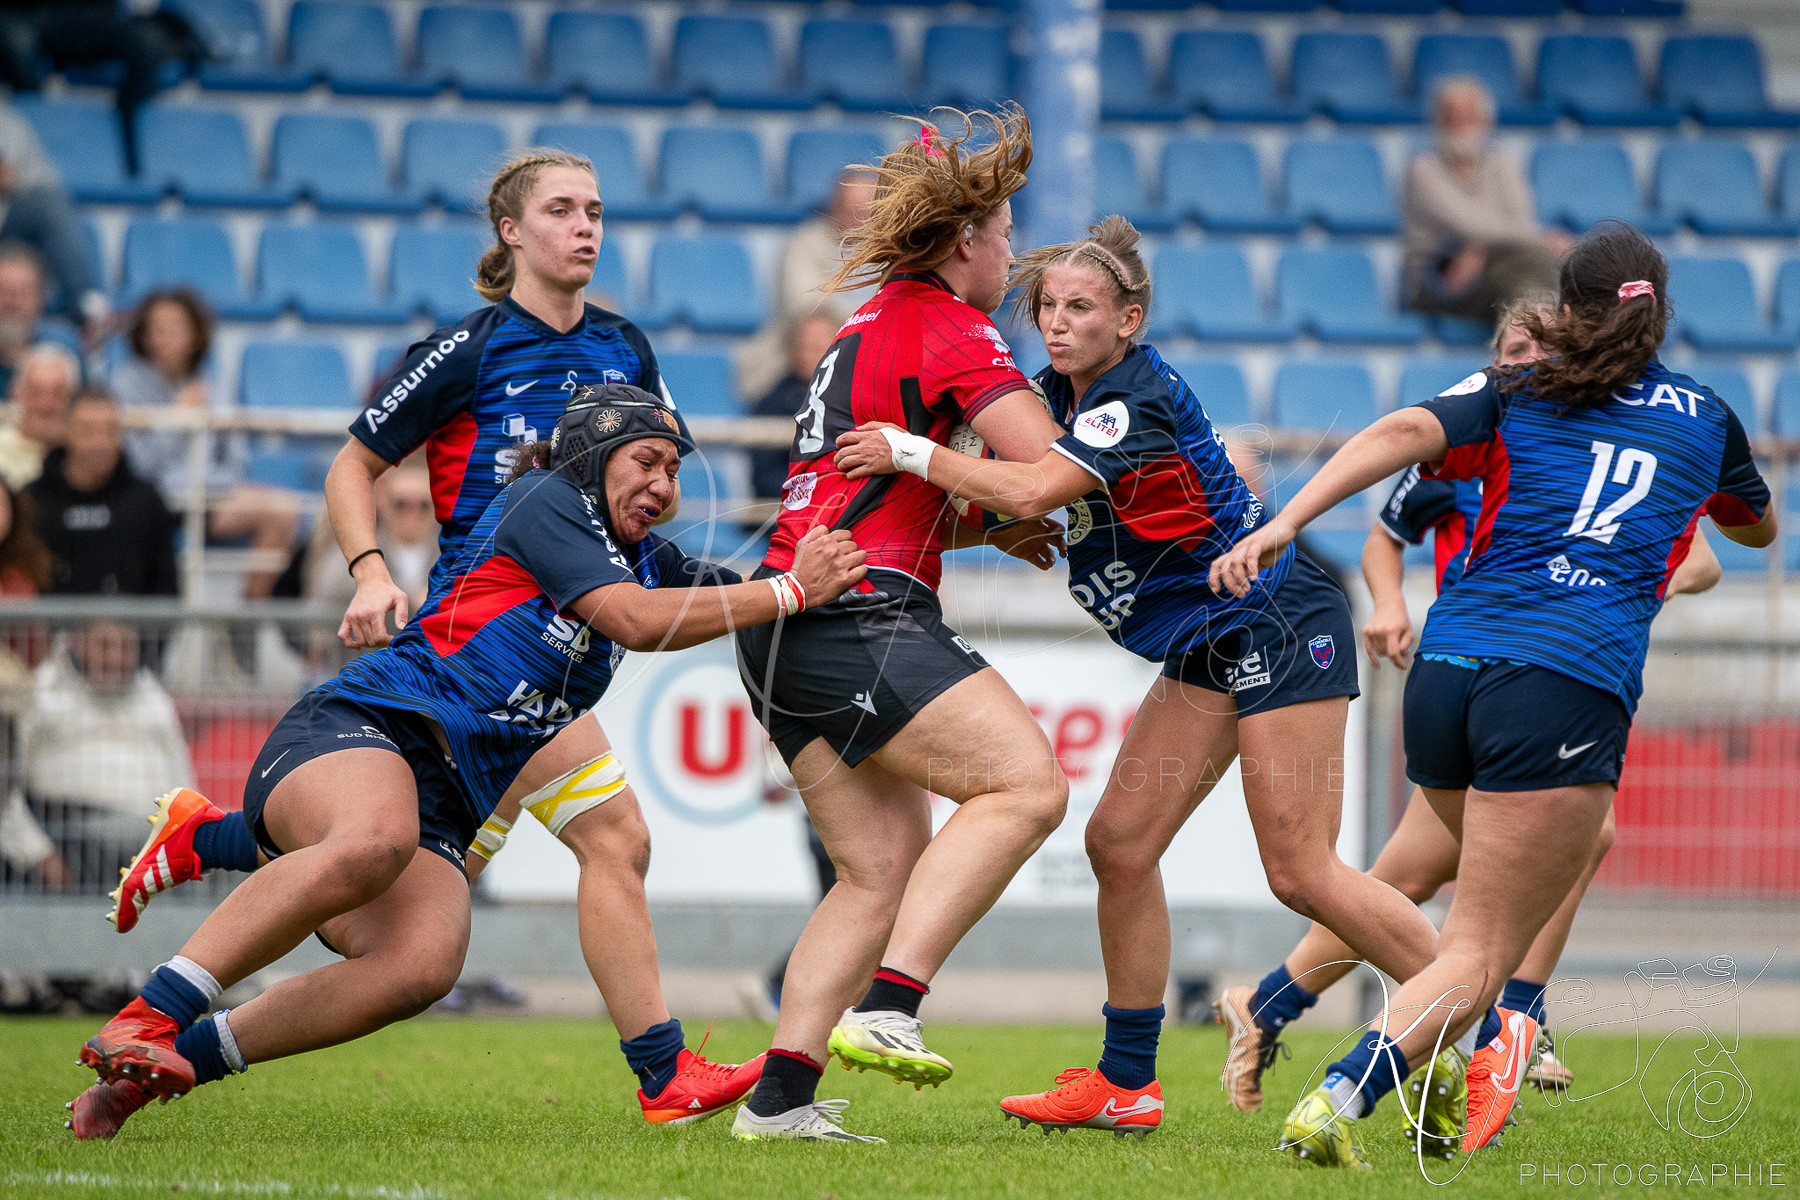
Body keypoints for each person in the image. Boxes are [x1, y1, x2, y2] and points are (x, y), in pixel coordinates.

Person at [110, 150, 741, 1127]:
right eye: (563, 209)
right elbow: (351, 468)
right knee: (503, 846)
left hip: (550, 658)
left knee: (411, 905)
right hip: (473, 646)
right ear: (511, 230)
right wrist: (368, 570)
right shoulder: (471, 350)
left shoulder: (626, 350)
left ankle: (208, 845)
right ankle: (661, 1074)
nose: (586, 227)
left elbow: (636, 508)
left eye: (598, 211)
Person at [66, 384, 870, 1140]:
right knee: (382, 839)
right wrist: (795, 592)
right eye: (647, 461)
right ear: (592, 458)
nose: (665, 482)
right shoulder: (546, 499)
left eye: (675, 470)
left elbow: (741, 597)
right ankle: (153, 1013)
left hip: (446, 803)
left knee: (420, 967)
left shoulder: (649, 561)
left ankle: (152, 1072)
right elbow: (636, 618)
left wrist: (837, 563)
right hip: (367, 722)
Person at [833, 215, 1440, 1142]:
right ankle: (1128, 1084)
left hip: (1274, 619)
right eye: (1046, 307)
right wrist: (933, 522)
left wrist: (910, 450)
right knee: (1118, 845)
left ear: (1130, 318)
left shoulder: (1128, 394)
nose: (1058, 322)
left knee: (1300, 872)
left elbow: (1033, 491)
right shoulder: (1050, 401)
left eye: (1081, 307)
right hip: (1208, 641)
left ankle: (1470, 1019)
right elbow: (1012, 508)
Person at [1206, 223, 1774, 1168]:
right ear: (1660, 315)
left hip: (1448, 677)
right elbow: (1752, 533)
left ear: (1565, 311)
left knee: (1465, 890)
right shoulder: (1706, 417)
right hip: (1562, 682)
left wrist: (1286, 523)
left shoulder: (1515, 390)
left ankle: (1406, 1020)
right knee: (1476, 948)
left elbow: (1394, 434)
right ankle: (1349, 1088)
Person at [729, 109, 1072, 1145]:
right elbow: (1049, 466)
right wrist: (1013, 487)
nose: (1010, 254)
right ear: (965, 240)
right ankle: (892, 1005)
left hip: (790, 609)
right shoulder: (948, 325)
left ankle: (778, 1103)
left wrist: (972, 522)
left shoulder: (864, 324)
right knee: (1028, 786)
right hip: (858, 612)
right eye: (1005, 234)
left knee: (877, 870)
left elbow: (868, 491)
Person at [112, 289, 300, 600]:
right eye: (156, 329)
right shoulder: (125, 383)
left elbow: (235, 458)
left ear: (195, 334)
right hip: (153, 499)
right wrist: (177, 420)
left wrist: (212, 483)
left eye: (174, 328)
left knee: (285, 510)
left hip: (210, 494)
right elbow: (140, 466)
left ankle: (247, 621)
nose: (163, 338)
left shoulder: (215, 381)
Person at [18, 621, 194, 891]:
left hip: (150, 833)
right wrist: (37, 853)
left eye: (125, 647)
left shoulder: (152, 695)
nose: (115, 658)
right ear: (78, 642)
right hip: (69, 830)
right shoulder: (42, 690)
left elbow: (184, 779)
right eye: (104, 645)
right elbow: (7, 786)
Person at [1403, 78, 1568, 323]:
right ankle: (1543, 342)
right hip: (1440, 280)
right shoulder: (1423, 169)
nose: (1460, 128)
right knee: (1533, 264)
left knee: (1526, 273)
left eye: (1468, 119)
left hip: (1500, 267)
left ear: (1485, 121)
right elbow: (1468, 223)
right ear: (1437, 122)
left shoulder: (1502, 163)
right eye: (1452, 120)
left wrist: (1480, 249)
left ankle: (1533, 338)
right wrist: (1540, 238)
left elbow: (1520, 216)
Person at [735, 170, 877, 403]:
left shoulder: (890, 252)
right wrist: (869, 320)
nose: (859, 216)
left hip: (869, 369)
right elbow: (807, 306)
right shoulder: (804, 242)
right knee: (815, 333)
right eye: (852, 206)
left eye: (866, 208)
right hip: (793, 370)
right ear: (834, 206)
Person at [28, 387, 179, 596]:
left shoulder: (147, 503)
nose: (102, 443)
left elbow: (167, 592)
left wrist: (130, 627)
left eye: (111, 430)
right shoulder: (32, 503)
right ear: (67, 431)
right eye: (89, 431)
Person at [0, 103, 105, 329]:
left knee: (48, 206)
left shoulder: (6, 120)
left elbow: (5, 176)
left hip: (10, 219)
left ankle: (86, 311)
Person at [304, 465, 436, 614]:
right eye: (401, 504)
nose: (413, 513)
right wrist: (411, 596)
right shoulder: (361, 546)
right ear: (383, 503)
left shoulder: (452, 552)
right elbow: (332, 587)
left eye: (424, 505)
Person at [749, 312, 840, 505]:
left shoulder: (855, 396)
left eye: (818, 347)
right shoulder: (772, 402)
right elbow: (765, 477)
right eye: (803, 347)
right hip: (789, 510)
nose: (808, 355)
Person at [0, 244, 80, 395]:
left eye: (23, 292)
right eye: (3, 291)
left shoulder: (62, 346)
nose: (12, 302)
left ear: (41, 300)